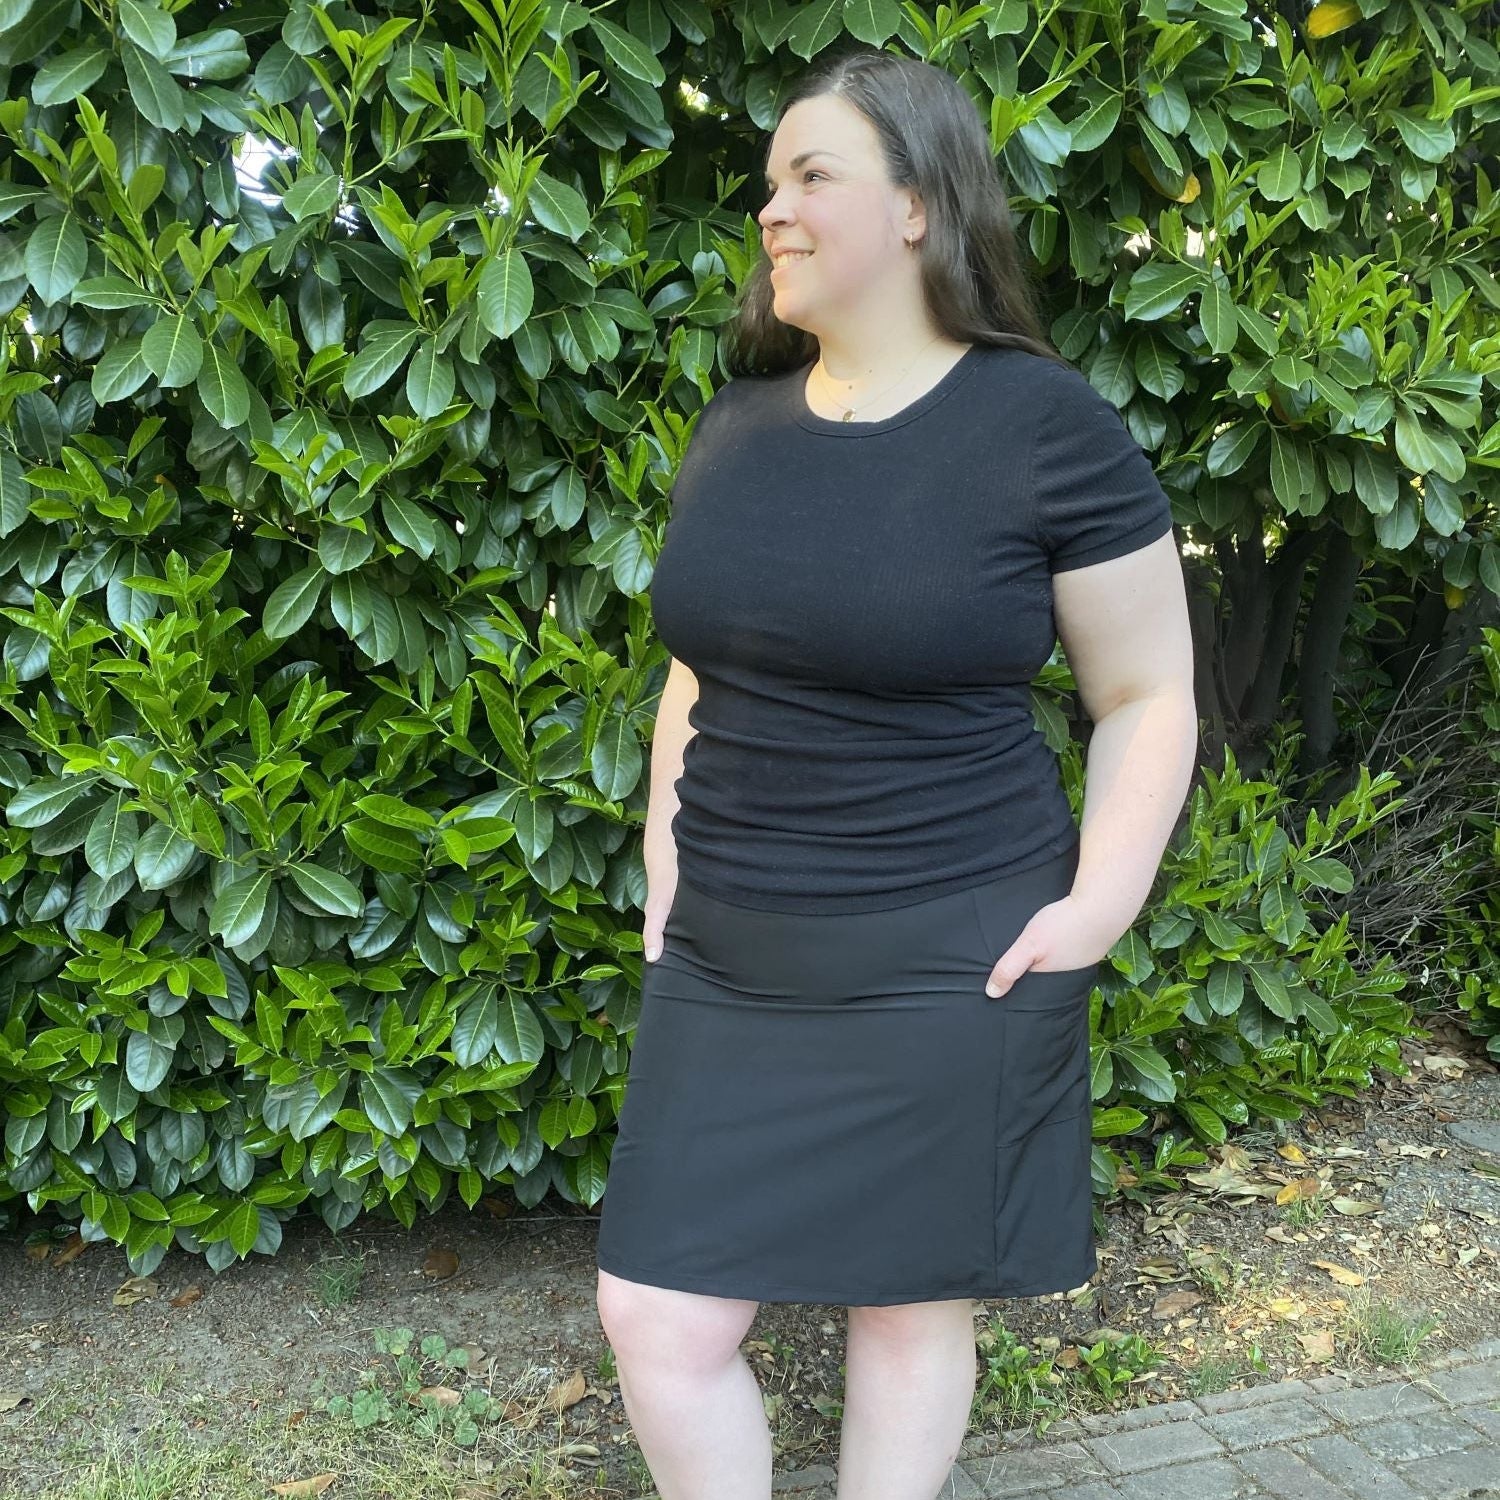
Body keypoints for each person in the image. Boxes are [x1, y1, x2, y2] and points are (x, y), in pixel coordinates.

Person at [593, 45, 1197, 1500]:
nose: (772, 209)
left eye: (813, 175)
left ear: (919, 203)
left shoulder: (1045, 427)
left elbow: (1146, 692)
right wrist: (666, 851)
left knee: (910, 1307)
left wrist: (1099, 905)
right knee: (659, 1317)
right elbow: (701, 666)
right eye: (769, 182)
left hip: (951, 950)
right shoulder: (736, 428)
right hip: (729, 956)